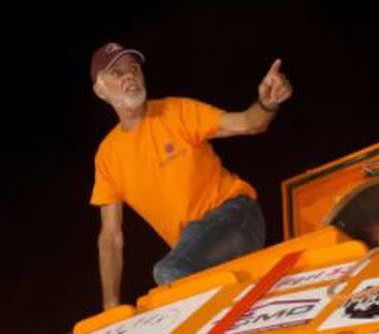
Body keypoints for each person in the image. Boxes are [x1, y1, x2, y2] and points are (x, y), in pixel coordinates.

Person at [89, 42, 292, 310]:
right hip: (198, 251)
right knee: (177, 279)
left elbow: (248, 123)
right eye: (117, 72)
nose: (130, 76)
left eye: (134, 69)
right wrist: (110, 307)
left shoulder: (175, 112)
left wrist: (267, 103)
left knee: (169, 271)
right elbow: (111, 237)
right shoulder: (108, 155)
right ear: (100, 89)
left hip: (236, 218)